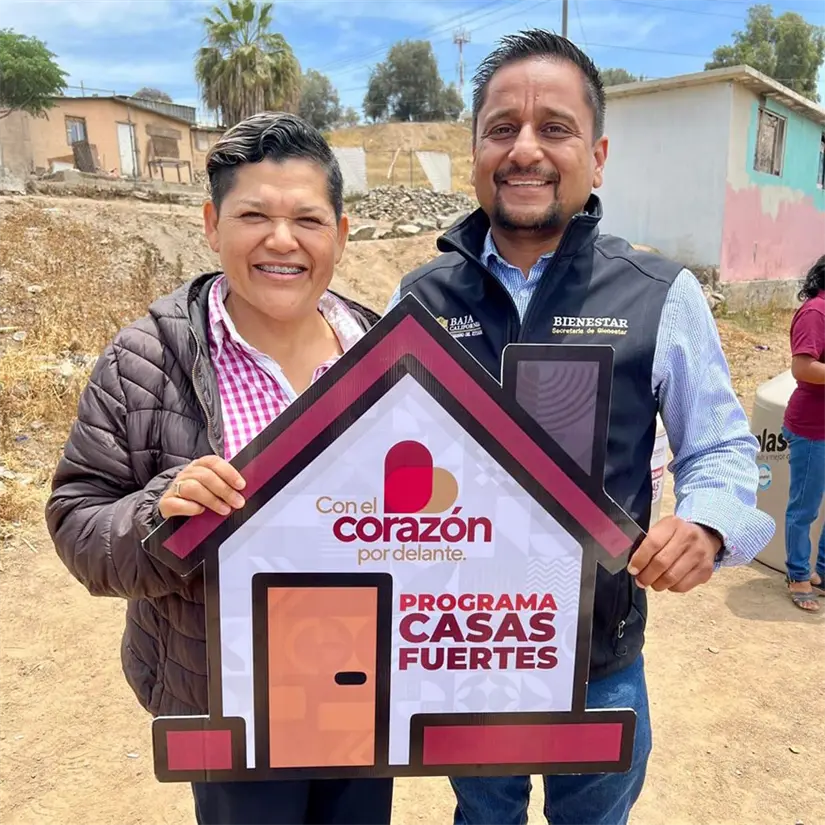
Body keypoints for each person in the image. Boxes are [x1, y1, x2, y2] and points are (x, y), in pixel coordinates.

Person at [386, 29, 774, 825]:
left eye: (553, 127)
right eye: (501, 128)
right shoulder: (417, 299)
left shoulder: (658, 294)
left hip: (600, 660)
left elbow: (719, 444)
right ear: (474, 153)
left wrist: (706, 522)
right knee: (483, 817)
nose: (524, 149)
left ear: (596, 158)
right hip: (464, 653)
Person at [45, 112, 392, 825]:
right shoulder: (146, 360)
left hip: (364, 689)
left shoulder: (386, 354)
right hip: (229, 694)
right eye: (253, 215)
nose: (282, 240)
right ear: (211, 224)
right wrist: (159, 514)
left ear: (340, 234)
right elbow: (77, 517)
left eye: (307, 219)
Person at [782, 254, 825, 612]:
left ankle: (821, 572)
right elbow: (803, 367)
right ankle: (798, 574)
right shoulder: (815, 313)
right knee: (804, 507)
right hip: (813, 427)